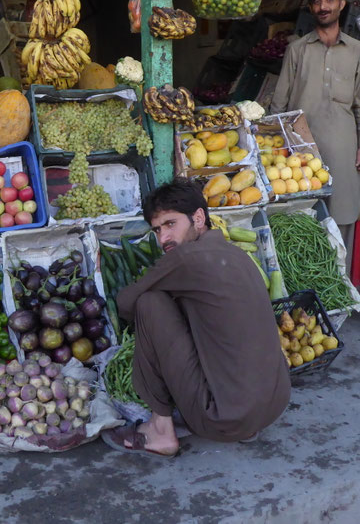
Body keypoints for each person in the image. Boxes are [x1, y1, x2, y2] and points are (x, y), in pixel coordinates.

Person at [102, 179, 290, 458]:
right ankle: (245, 424)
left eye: (170, 224)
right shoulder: (237, 255)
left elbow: (126, 303)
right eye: (156, 229)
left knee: (149, 303)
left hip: (222, 420)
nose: (163, 238)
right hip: (273, 407)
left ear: (199, 218)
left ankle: (160, 431)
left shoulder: (187, 257)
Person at [268, 0, 360, 263]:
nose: (323, 6)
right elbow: (279, 101)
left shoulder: (357, 51)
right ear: (311, 8)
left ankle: (341, 285)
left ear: (341, 4)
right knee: (302, 212)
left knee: (341, 212)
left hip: (342, 145)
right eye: (317, 1)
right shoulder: (297, 49)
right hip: (300, 145)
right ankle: (308, 286)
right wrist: (269, 144)